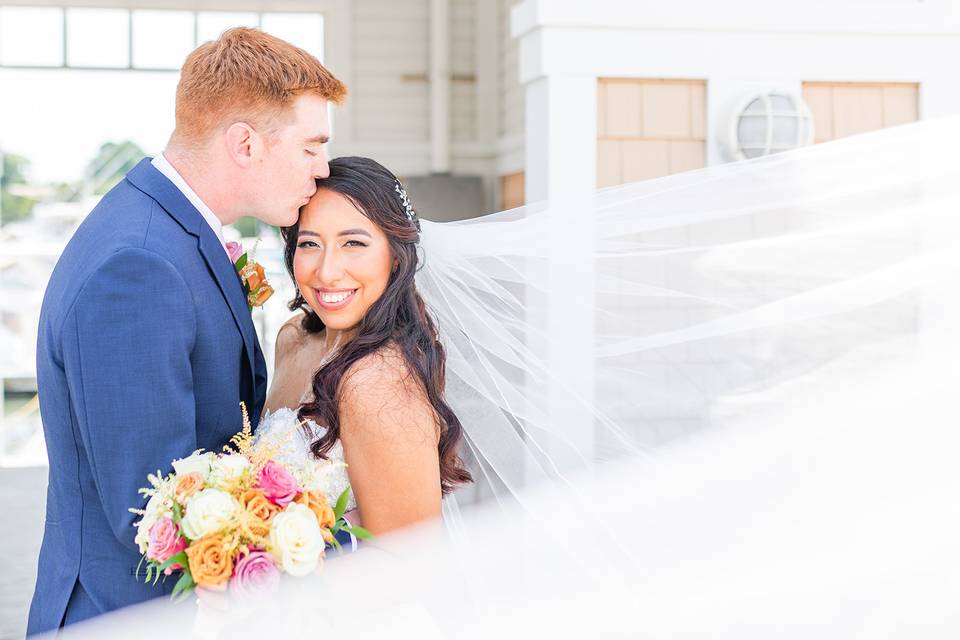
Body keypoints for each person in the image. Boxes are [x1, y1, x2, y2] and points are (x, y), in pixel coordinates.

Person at [27, 27, 345, 634]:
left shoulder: (169, 231)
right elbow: (150, 506)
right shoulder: (139, 264)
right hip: (126, 616)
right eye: (310, 146)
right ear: (246, 144)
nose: (322, 167)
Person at [258, 157, 472, 537]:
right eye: (309, 243)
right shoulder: (293, 337)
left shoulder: (379, 383)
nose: (327, 271)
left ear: (395, 257)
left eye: (353, 243)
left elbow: (411, 561)